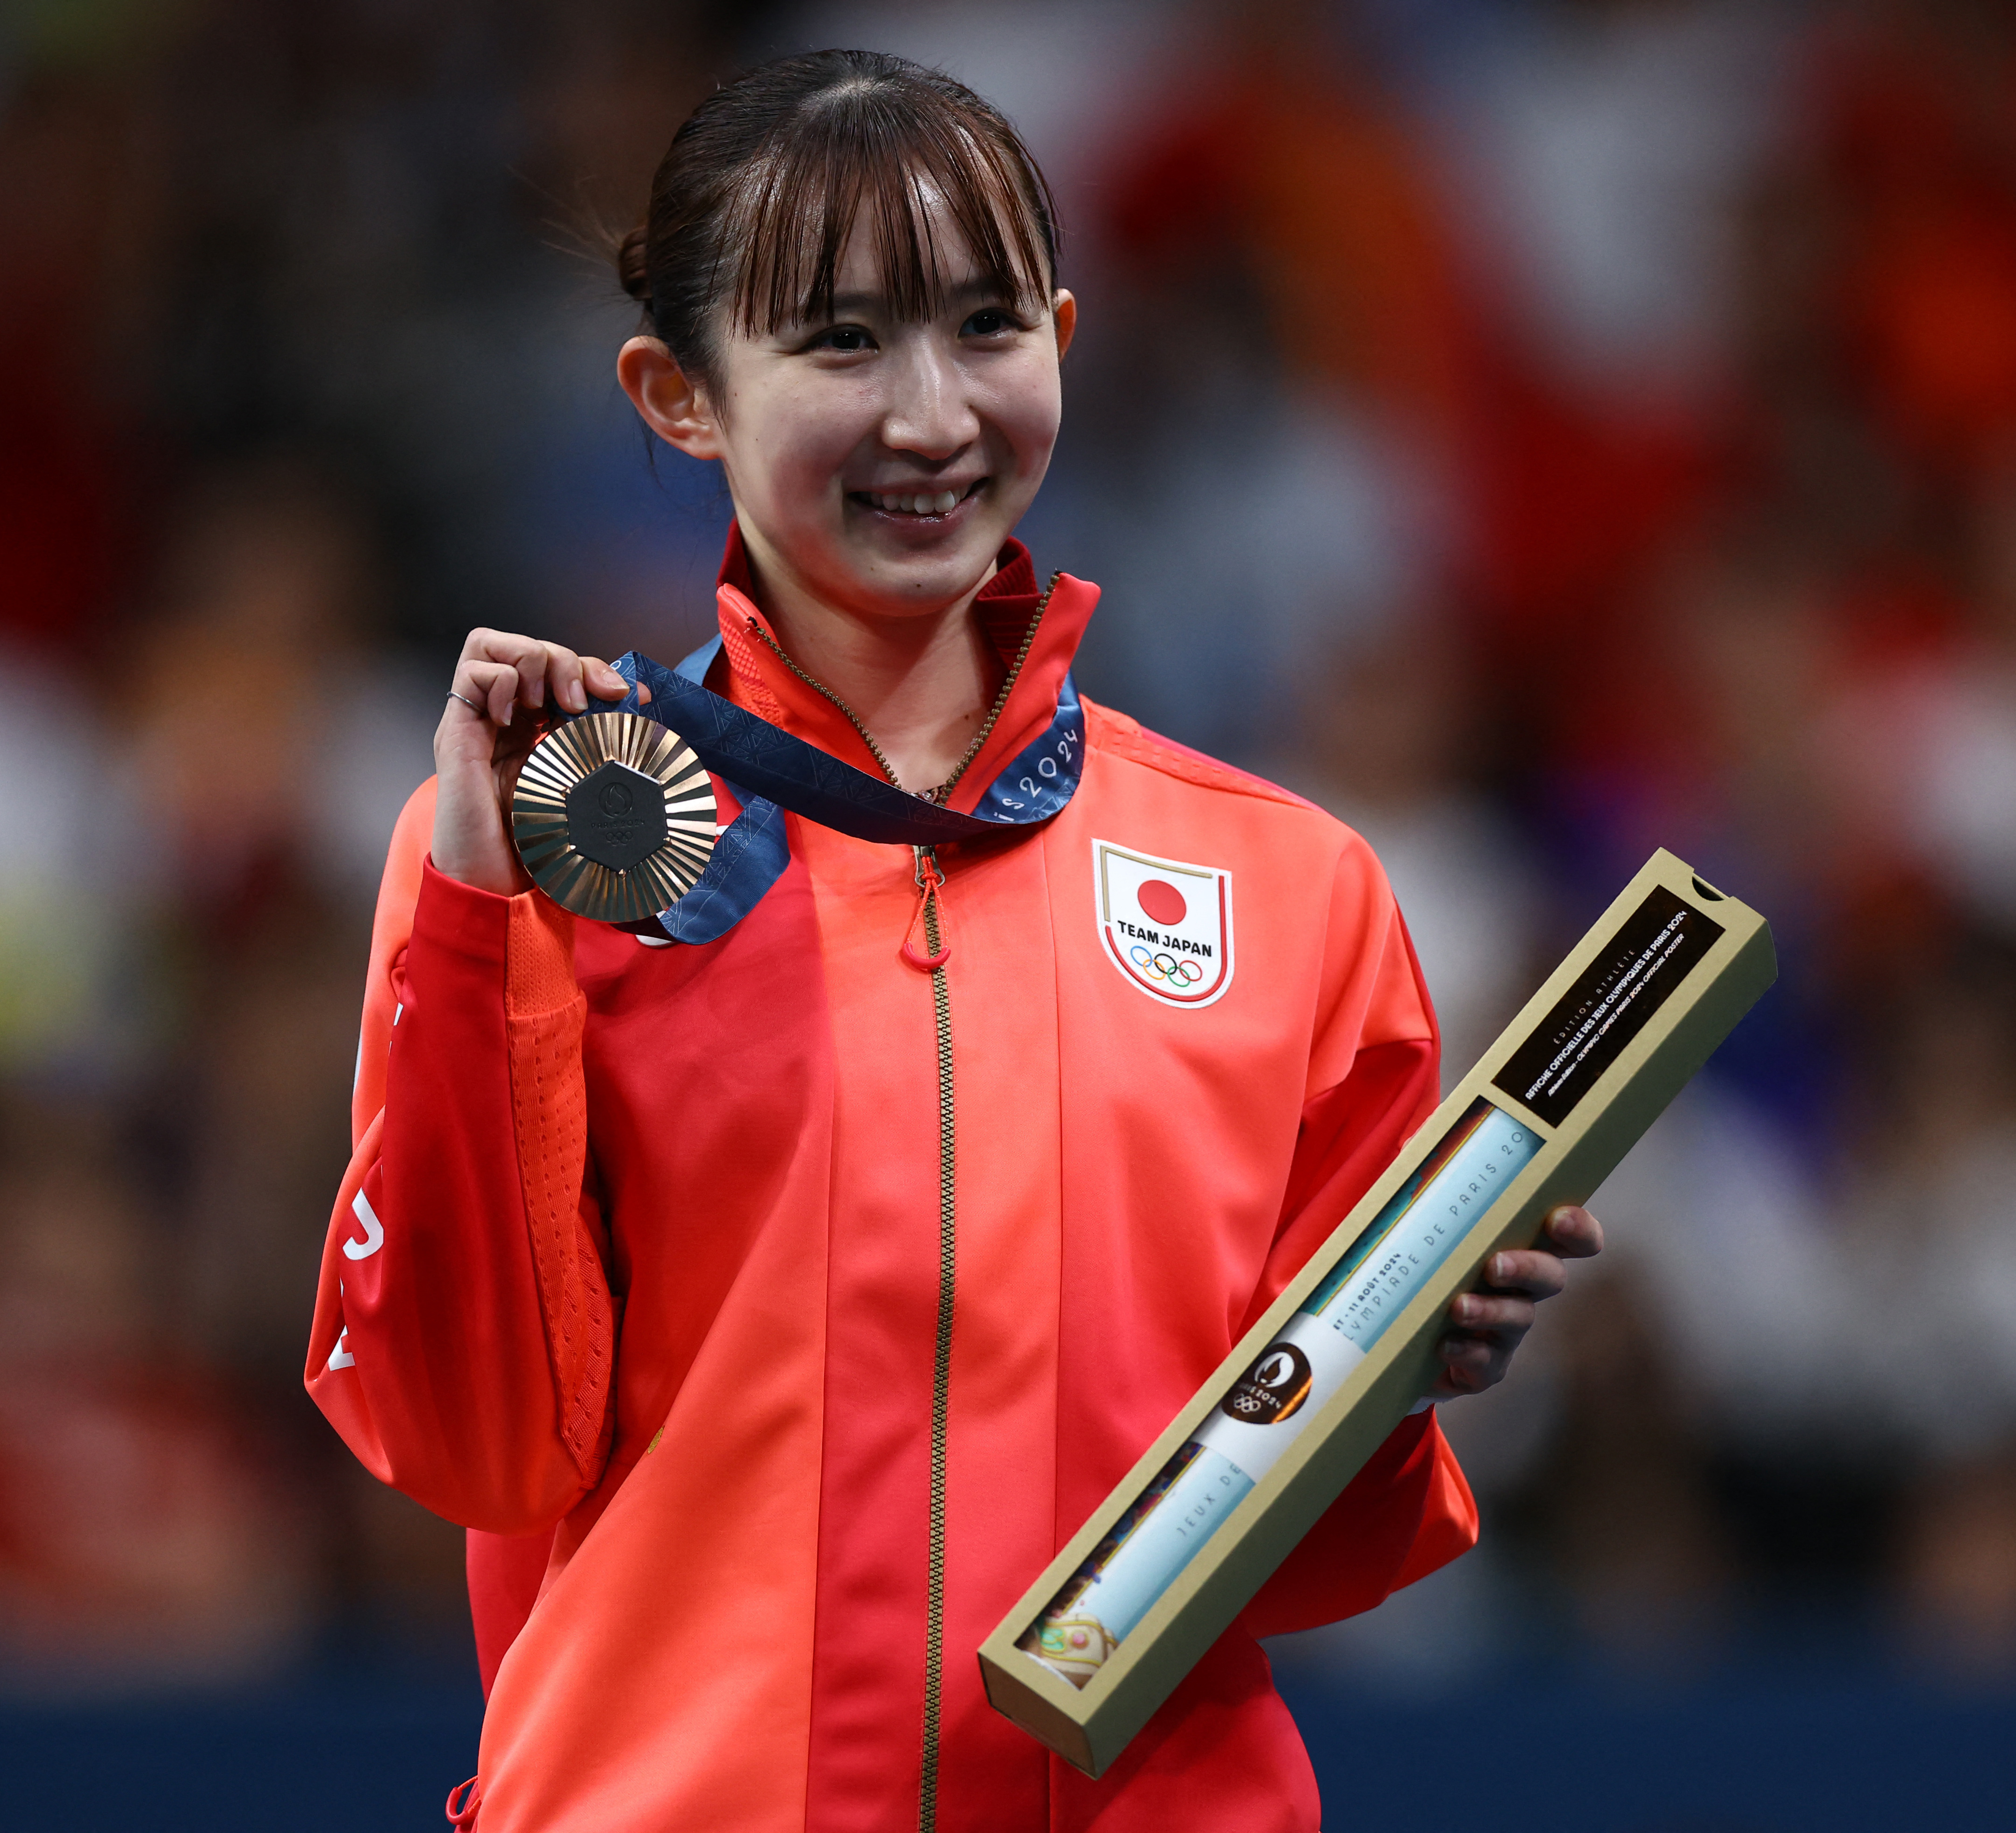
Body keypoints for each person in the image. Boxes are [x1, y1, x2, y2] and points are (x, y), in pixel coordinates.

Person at [305, 50, 1599, 1833]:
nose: (932, 417)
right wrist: (465, 919)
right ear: (679, 395)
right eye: (840, 344)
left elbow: (1297, 1544)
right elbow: (460, 1437)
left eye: (989, 327)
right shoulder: (543, 852)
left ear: (1063, 334)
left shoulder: (1284, 886)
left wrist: (1410, 1358)